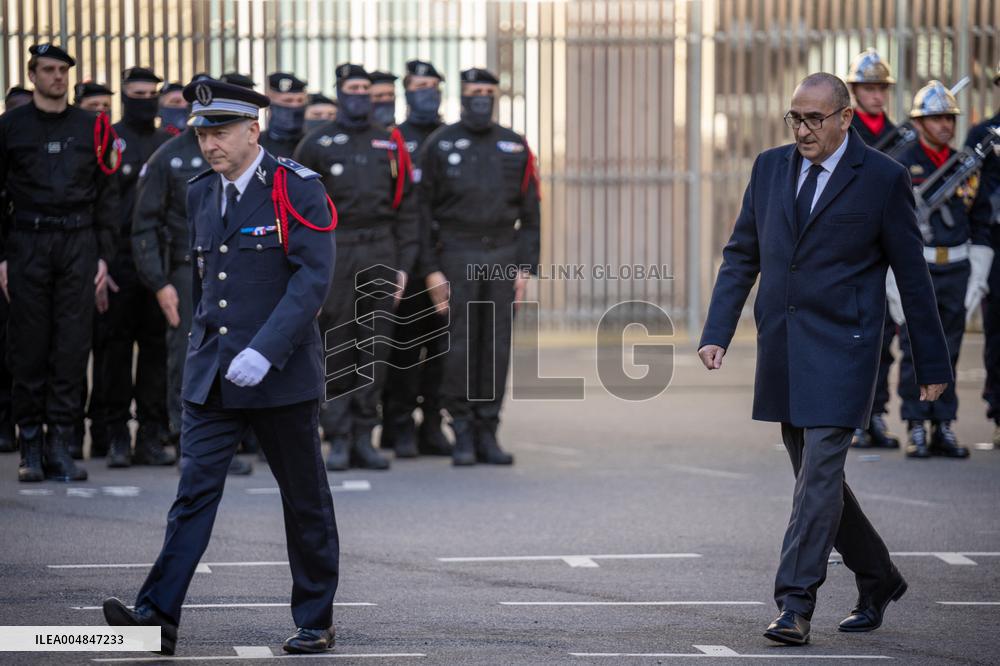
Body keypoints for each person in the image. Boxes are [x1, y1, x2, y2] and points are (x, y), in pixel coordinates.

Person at [698, 73, 951, 645]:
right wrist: (719, 330)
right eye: (796, 118)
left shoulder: (883, 179)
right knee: (819, 481)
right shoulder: (768, 168)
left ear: (845, 118)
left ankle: (794, 603)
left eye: (815, 118)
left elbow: (912, 277)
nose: (804, 129)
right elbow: (742, 254)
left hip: (847, 350)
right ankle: (878, 576)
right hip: (785, 346)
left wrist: (932, 366)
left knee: (817, 478)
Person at [103, 78, 339, 656]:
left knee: (303, 499)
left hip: (278, 374)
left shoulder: (296, 187)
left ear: (253, 130)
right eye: (204, 132)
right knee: (193, 495)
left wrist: (267, 349)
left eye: (222, 131)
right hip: (214, 373)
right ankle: (156, 617)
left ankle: (316, 619)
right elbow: (210, 282)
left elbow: (312, 278)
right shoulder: (201, 191)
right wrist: (202, 355)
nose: (211, 143)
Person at [0, 44, 120, 482]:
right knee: (28, 346)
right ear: (32, 74)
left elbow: (107, 196)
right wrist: (3, 257)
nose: (57, 77)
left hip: (78, 240)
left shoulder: (91, 126)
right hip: (28, 240)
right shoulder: (10, 126)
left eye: (63, 71)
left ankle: (62, 445)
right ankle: (30, 443)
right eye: (48, 70)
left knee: (72, 346)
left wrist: (104, 255)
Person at [294, 63, 418, 471]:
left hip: (380, 248)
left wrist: (402, 265)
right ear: (339, 91)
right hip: (337, 248)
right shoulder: (316, 143)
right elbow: (300, 211)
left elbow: (407, 209)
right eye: (353, 88)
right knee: (338, 343)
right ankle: (339, 435)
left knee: (376, 344)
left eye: (366, 88)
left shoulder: (390, 143)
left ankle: (366, 434)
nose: (360, 94)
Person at [417, 67, 540, 466]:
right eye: (474, 92)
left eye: (488, 91)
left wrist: (525, 268)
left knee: (496, 347)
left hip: (502, 253)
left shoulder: (515, 145)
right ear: (463, 95)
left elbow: (531, 214)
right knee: (460, 346)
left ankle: (489, 429)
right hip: (456, 253)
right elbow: (420, 214)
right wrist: (432, 270)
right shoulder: (440, 143)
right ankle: (463, 430)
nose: (481, 98)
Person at [132, 74, 254, 477]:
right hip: (187, 273)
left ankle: (232, 440)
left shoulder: (242, 156)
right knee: (190, 359)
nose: (210, 141)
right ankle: (191, 442)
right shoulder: (169, 157)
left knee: (237, 354)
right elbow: (145, 223)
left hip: (238, 271)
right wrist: (159, 282)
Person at [890, 81, 992, 459]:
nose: (945, 124)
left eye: (949, 117)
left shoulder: (965, 164)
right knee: (915, 348)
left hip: (958, 265)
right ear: (919, 123)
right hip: (920, 268)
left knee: (950, 349)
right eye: (936, 118)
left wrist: (979, 272)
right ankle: (916, 424)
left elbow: (979, 217)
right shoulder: (902, 162)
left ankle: (943, 424)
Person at [87, 66, 176, 468]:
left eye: (150, 93)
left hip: (157, 260)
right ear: (125, 96)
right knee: (116, 353)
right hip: (121, 259)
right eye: (136, 94)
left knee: (157, 351)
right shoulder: (111, 139)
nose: (145, 100)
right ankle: (117, 434)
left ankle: (152, 436)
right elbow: (99, 202)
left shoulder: (166, 144)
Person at [381, 59, 452, 458]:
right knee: (404, 348)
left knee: (442, 348)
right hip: (409, 260)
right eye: (418, 85)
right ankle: (400, 425)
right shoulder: (394, 139)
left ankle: (433, 426)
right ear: (407, 91)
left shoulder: (450, 136)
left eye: (432, 84)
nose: (426, 91)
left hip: (447, 258)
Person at [846, 48, 902, 449]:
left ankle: (876, 414)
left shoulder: (902, 136)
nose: (876, 95)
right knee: (856, 340)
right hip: (854, 250)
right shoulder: (844, 137)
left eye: (881, 87)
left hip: (889, 248)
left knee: (885, 341)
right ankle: (854, 418)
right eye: (868, 88)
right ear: (854, 91)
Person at [970, 62, 1000, 448]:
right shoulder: (984, 135)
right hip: (997, 242)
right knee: (997, 330)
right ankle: (998, 411)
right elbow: (972, 195)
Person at [259, 72, 308, 158]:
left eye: (300, 100)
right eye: (288, 101)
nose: (295, 105)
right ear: (270, 104)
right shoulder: (256, 145)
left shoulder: (313, 142)